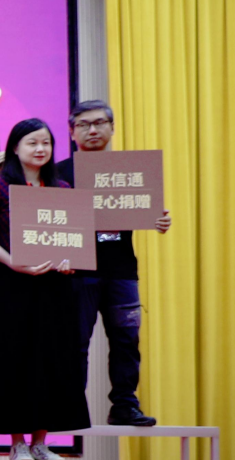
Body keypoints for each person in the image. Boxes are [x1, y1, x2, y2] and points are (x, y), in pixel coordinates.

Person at [0, 119, 86, 460]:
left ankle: (41, 443)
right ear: (15, 147)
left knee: (52, 360)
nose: (40, 149)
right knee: (16, 359)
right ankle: (18, 444)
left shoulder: (62, 188)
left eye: (46, 143)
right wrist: (13, 262)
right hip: (16, 284)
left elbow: (72, 239)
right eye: (32, 142)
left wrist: (69, 262)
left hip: (56, 288)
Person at [55, 100, 170, 427]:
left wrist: (158, 219)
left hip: (121, 271)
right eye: (84, 124)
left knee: (126, 340)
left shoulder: (131, 171)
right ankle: (72, 408)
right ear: (72, 132)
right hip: (76, 272)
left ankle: (124, 405)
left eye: (100, 123)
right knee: (75, 344)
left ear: (112, 127)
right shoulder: (58, 173)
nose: (92, 130)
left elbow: (146, 209)